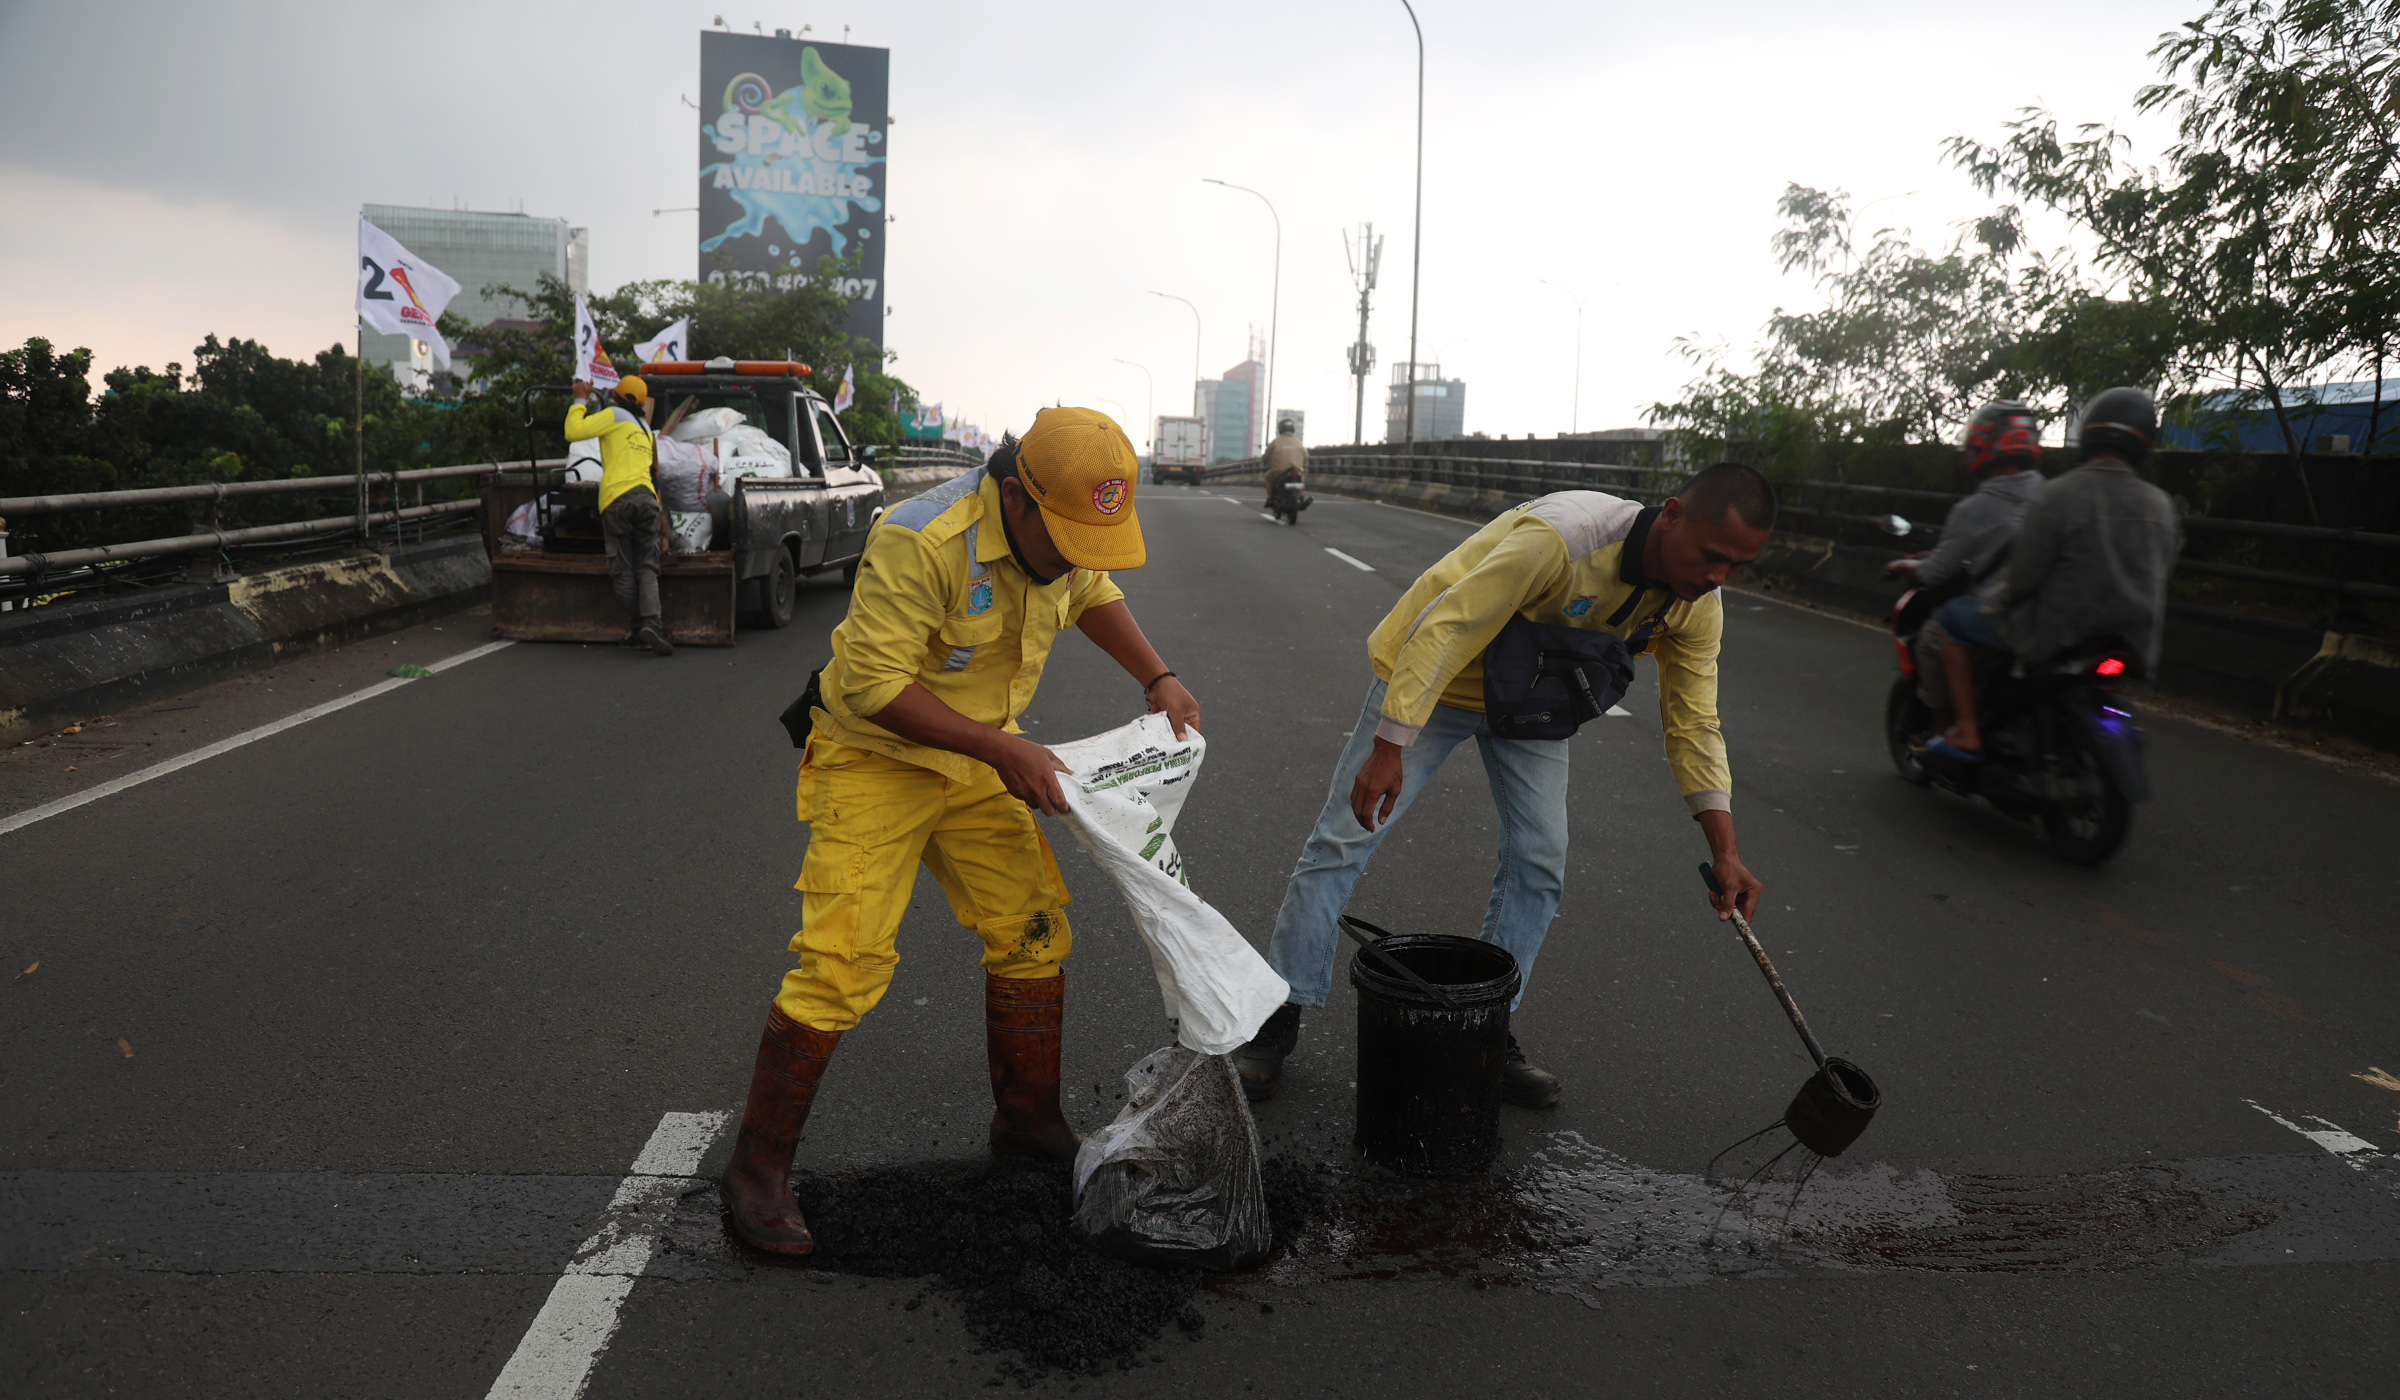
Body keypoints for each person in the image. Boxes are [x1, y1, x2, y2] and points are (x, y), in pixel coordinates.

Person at [719, 406, 1203, 1256]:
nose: (1071, 562)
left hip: (981, 759)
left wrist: (1156, 676)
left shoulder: (1062, 545)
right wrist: (999, 748)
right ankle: (757, 1170)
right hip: (877, 759)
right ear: (1015, 495)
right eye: (1062, 540)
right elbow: (869, 685)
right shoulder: (922, 539)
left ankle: (1026, 1122)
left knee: (1034, 930)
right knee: (842, 963)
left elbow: (1090, 589)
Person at [1233, 463, 1778, 1108]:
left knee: (1540, 862)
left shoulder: (1696, 605)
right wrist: (1390, 746)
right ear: (1672, 515)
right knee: (1343, 839)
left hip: (1531, 702)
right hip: (1435, 684)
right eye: (1714, 556)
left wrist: (1726, 850)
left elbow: (1694, 721)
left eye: (1737, 567)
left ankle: (1485, 1030)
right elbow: (1448, 627)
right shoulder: (1564, 539)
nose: (1719, 577)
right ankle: (1279, 1014)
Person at [1923, 387, 2182, 761]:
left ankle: (1966, 729)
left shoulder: (2059, 494)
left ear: (2089, 432)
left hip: (2059, 636)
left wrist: (1993, 603)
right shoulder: (2161, 505)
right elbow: (2163, 570)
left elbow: (2023, 578)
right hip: (2131, 640)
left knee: (1952, 621)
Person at [1885, 401, 2048, 739]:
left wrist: (1905, 565)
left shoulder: (1974, 508)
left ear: (1984, 445)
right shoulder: (2053, 496)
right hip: (2053, 614)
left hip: (2007, 615)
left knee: (1934, 635)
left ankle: (1953, 732)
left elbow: (1936, 572)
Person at [565, 375, 672, 656]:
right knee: (647, 567)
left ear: (616, 397)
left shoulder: (614, 415)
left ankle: (638, 629)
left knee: (623, 567)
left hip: (618, 500)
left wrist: (580, 400)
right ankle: (654, 625)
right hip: (648, 500)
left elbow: (573, 432)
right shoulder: (644, 428)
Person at [1263, 419, 1308, 511]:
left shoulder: (1275, 442)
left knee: (1268, 478)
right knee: (1301, 480)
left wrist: (1266, 460)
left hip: (1279, 471)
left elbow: (1265, 457)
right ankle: (1302, 497)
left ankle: (1271, 499)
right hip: (1297, 469)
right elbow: (1306, 457)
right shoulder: (1299, 442)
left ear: (1280, 429)